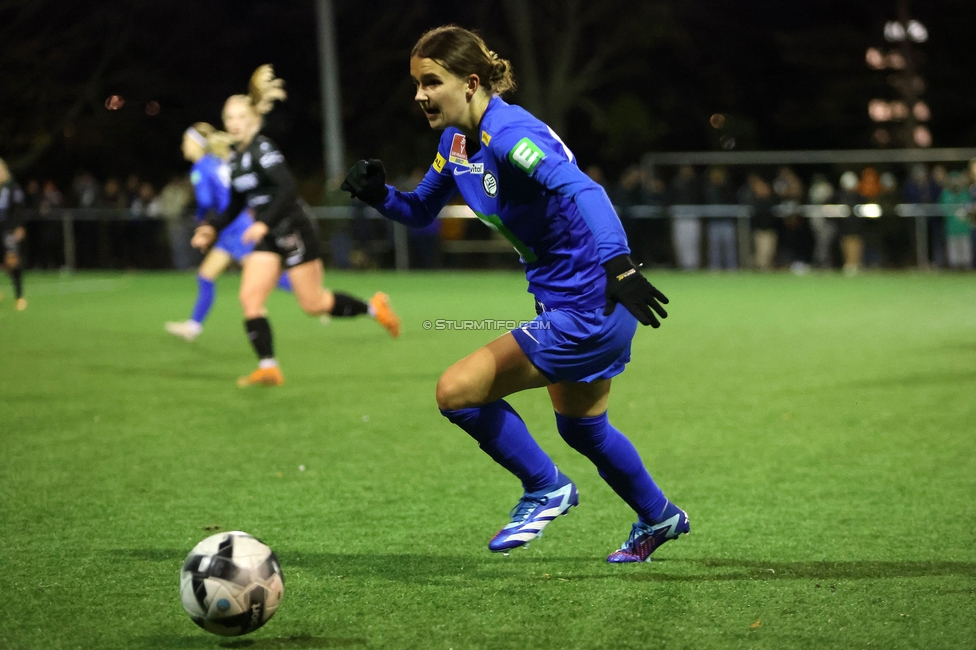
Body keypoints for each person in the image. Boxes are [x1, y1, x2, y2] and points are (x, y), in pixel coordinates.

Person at [341, 26, 688, 563]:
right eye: (416, 83)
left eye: (431, 82)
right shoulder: (456, 142)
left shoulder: (508, 133)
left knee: (456, 391)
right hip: (571, 300)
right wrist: (379, 196)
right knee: (583, 428)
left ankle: (546, 488)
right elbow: (419, 210)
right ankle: (660, 516)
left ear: (471, 82)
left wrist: (619, 265)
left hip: (592, 302)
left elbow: (584, 188)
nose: (419, 95)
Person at [192, 65, 401, 387]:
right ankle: (268, 367)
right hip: (266, 232)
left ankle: (374, 308)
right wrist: (211, 227)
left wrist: (263, 222)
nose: (233, 124)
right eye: (229, 118)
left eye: (239, 117)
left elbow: (287, 189)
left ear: (254, 120)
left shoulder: (263, 150)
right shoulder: (235, 160)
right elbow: (235, 203)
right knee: (250, 299)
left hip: (291, 227)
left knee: (313, 304)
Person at [168, 122, 293, 341]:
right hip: (234, 226)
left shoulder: (200, 167)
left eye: (186, 141)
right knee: (205, 275)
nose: (183, 146)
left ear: (197, 144)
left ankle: (313, 296)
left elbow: (207, 201)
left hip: (235, 229)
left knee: (268, 277)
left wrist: (202, 221)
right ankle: (193, 326)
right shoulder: (216, 162)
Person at [0, 157, 28, 310]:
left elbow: (19, 209)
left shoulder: (12, 188)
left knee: (12, 262)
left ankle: (19, 296)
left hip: (9, 230)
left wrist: (19, 226)